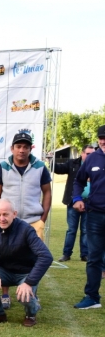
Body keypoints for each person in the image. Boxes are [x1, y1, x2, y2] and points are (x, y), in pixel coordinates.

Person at [0, 132, 51, 308]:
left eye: (26, 147)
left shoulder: (40, 167)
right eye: (18, 146)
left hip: (33, 220)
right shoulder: (2, 167)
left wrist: (43, 218)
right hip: (9, 222)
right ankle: (5, 295)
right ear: (12, 148)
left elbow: (47, 192)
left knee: (35, 259)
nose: (22, 150)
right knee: (4, 257)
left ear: (30, 149)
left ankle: (32, 292)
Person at [0, 199, 51, 327]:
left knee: (24, 296)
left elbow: (46, 256)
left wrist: (29, 282)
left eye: (5, 214)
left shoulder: (26, 230)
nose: (2, 219)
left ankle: (31, 313)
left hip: (26, 273)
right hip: (4, 271)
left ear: (14, 214)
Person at [72, 125, 105, 309]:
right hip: (95, 215)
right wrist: (77, 198)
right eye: (101, 138)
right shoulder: (92, 158)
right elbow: (78, 181)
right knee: (94, 258)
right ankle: (92, 297)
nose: (103, 141)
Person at [53, 144, 94, 262]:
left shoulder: (96, 165)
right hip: (73, 202)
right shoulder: (73, 163)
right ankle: (66, 254)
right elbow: (58, 169)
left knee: (85, 230)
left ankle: (84, 254)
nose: (90, 156)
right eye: (88, 154)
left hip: (90, 203)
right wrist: (51, 160)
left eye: (92, 154)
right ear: (82, 153)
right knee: (71, 229)